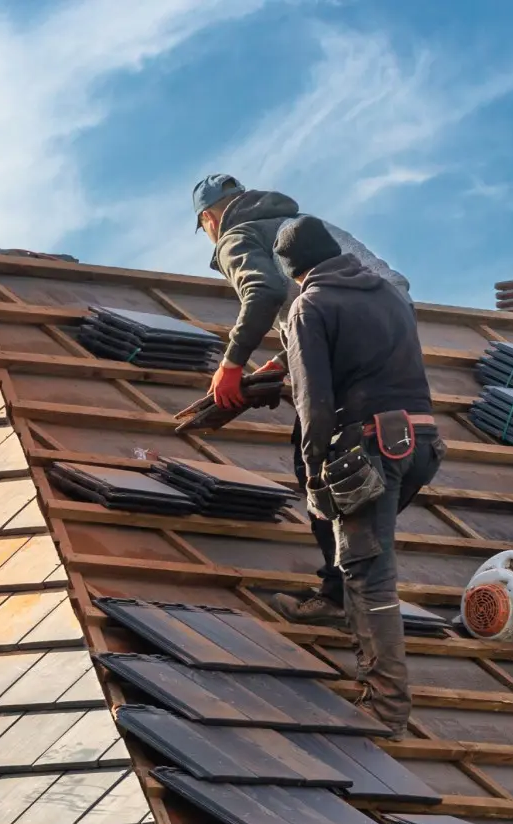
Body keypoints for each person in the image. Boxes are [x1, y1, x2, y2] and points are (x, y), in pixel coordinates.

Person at [192, 174, 410, 624]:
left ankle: (338, 596)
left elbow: (265, 292)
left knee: (319, 470)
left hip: (346, 370)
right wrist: (287, 360)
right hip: (393, 348)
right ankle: (358, 588)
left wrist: (231, 364)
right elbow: (386, 288)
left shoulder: (236, 235)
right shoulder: (307, 224)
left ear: (208, 218)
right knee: (365, 476)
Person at [273, 215, 440, 735]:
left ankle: (386, 708)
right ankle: (338, 607)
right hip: (423, 443)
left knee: (368, 569)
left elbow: (314, 404)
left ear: (293, 271)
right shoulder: (388, 295)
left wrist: (314, 479)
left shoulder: (309, 306)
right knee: (365, 555)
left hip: (368, 447)